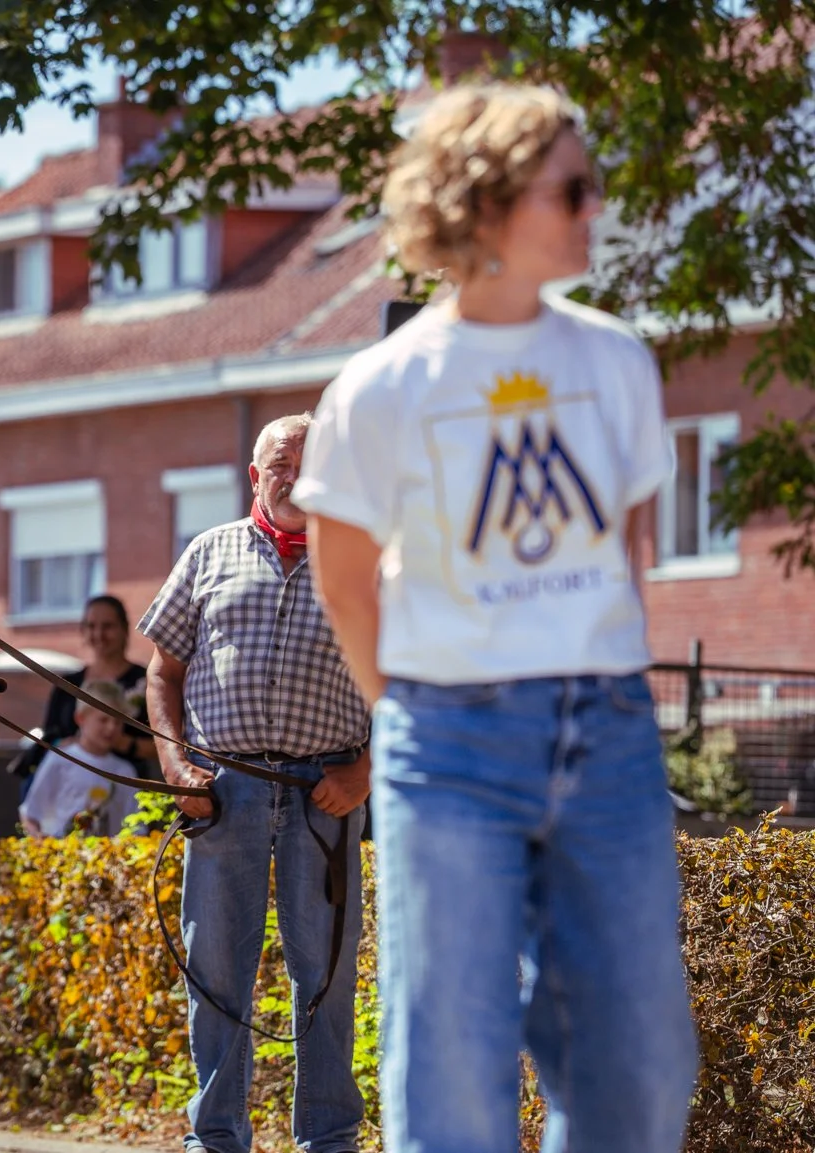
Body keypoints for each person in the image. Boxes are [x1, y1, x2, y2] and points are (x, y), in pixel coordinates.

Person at [295, 82, 696, 1153]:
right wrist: (413, 713)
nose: (592, 205)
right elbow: (342, 580)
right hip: (449, 742)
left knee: (641, 1066)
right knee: (452, 1069)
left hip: (605, 731)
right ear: (485, 201)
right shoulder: (380, 388)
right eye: (571, 186)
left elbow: (623, 549)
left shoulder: (613, 358)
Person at [138, 417, 372, 1153]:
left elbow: (404, 685)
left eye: (312, 463)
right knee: (215, 976)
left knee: (327, 979)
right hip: (222, 793)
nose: (296, 475)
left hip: (322, 796)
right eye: (282, 462)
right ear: (254, 473)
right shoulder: (209, 552)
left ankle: (329, 1140)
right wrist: (177, 768)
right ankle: (216, 1139)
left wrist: (362, 771)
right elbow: (162, 672)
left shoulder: (363, 565)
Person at [7, 594, 158, 788]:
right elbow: (50, 733)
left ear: (124, 629)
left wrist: (123, 742)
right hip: (71, 785)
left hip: (125, 786)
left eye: (108, 626)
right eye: (91, 626)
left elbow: (167, 742)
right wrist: (72, 743)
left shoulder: (145, 682)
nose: (99, 634)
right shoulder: (68, 684)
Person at [19, 681, 143, 837]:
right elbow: (30, 812)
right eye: (103, 720)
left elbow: (137, 826)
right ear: (81, 718)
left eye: (118, 721)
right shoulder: (60, 759)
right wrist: (38, 838)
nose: (111, 728)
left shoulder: (125, 770)